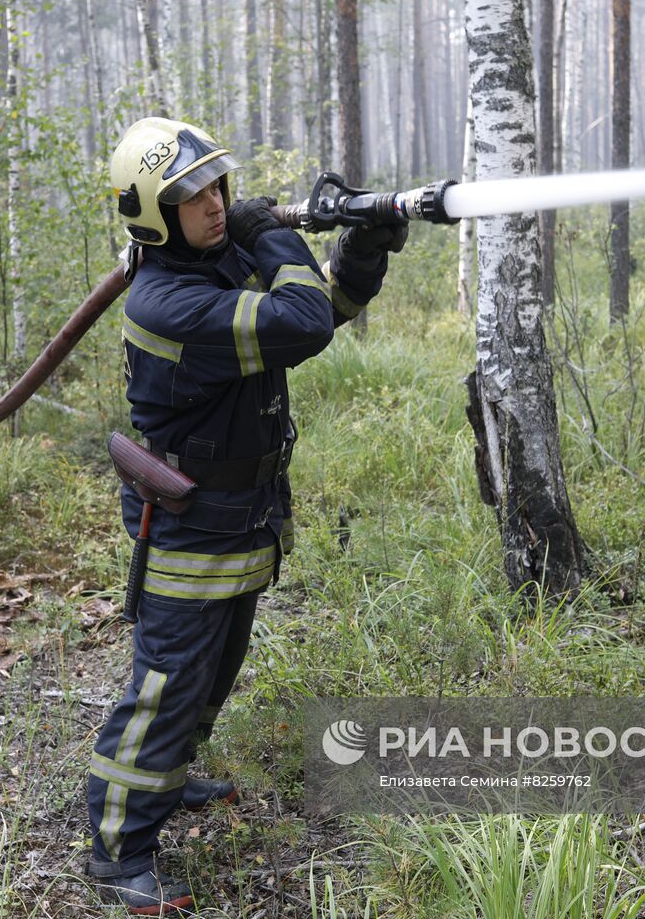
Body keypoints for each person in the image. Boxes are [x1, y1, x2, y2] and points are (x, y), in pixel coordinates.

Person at [86, 117, 406, 914]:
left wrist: (362, 247)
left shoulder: (209, 260)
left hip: (238, 515)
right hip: (192, 529)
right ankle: (119, 847)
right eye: (192, 196)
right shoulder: (167, 302)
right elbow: (295, 323)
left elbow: (320, 309)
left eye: (219, 188)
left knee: (213, 673)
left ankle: (171, 776)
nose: (216, 205)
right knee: (166, 684)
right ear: (153, 213)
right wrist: (271, 235)